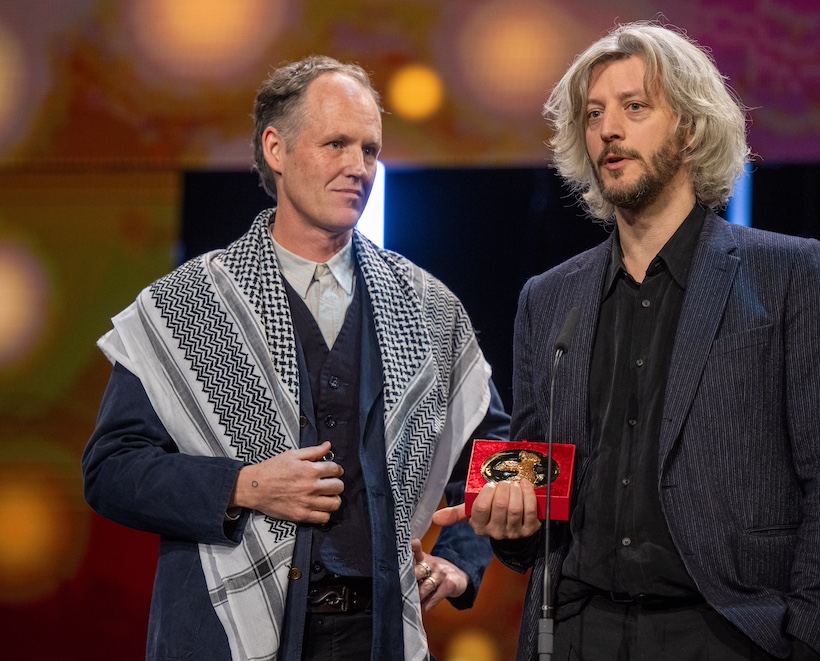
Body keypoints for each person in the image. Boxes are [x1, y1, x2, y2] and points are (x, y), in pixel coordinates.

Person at [435, 21, 820, 661]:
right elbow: (534, 508)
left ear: (692, 128)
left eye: (634, 107)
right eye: (593, 115)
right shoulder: (547, 299)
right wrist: (509, 523)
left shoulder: (790, 276)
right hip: (578, 630)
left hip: (727, 634)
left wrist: (807, 644)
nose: (608, 129)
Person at [82, 55, 509, 661]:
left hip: (377, 633)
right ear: (275, 149)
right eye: (336, 144)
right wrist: (243, 485)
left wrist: (461, 562)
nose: (357, 168)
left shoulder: (428, 306)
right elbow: (111, 471)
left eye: (369, 149)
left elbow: (494, 455)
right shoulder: (188, 305)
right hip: (223, 632)